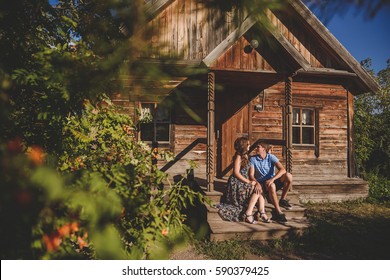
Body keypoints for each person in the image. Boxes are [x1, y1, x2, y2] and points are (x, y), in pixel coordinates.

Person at [216, 137, 270, 224]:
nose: (249, 146)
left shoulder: (246, 156)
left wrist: (267, 153)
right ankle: (248, 214)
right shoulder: (238, 156)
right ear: (243, 145)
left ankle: (262, 212)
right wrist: (249, 182)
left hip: (244, 180)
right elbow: (236, 173)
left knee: (259, 189)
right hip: (237, 182)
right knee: (256, 190)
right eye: (248, 144)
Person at [249, 142, 293, 224]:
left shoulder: (271, 157)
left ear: (264, 149)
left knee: (288, 176)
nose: (256, 149)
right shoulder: (253, 159)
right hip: (262, 184)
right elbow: (251, 175)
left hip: (271, 180)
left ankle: (282, 199)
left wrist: (273, 179)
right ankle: (278, 212)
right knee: (272, 186)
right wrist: (257, 183)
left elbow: (282, 169)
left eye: (258, 147)